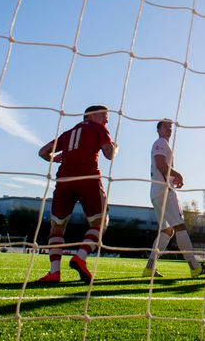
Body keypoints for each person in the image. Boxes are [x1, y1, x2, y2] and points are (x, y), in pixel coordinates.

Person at [36, 105, 118, 284]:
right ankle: (80, 258)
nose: (106, 120)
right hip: (88, 178)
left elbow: (43, 152)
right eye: (104, 116)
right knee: (101, 221)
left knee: (57, 226)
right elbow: (109, 154)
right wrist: (115, 147)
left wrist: (54, 158)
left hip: (64, 181)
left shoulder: (68, 133)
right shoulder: (99, 129)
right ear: (90, 116)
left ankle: (54, 272)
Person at [142, 119, 205, 278]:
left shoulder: (163, 144)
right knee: (180, 226)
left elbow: (162, 168)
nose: (169, 128)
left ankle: (149, 268)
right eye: (165, 126)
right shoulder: (160, 142)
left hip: (157, 192)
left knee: (167, 231)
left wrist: (174, 179)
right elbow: (160, 164)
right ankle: (195, 267)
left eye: (171, 126)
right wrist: (178, 175)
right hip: (164, 191)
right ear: (158, 129)